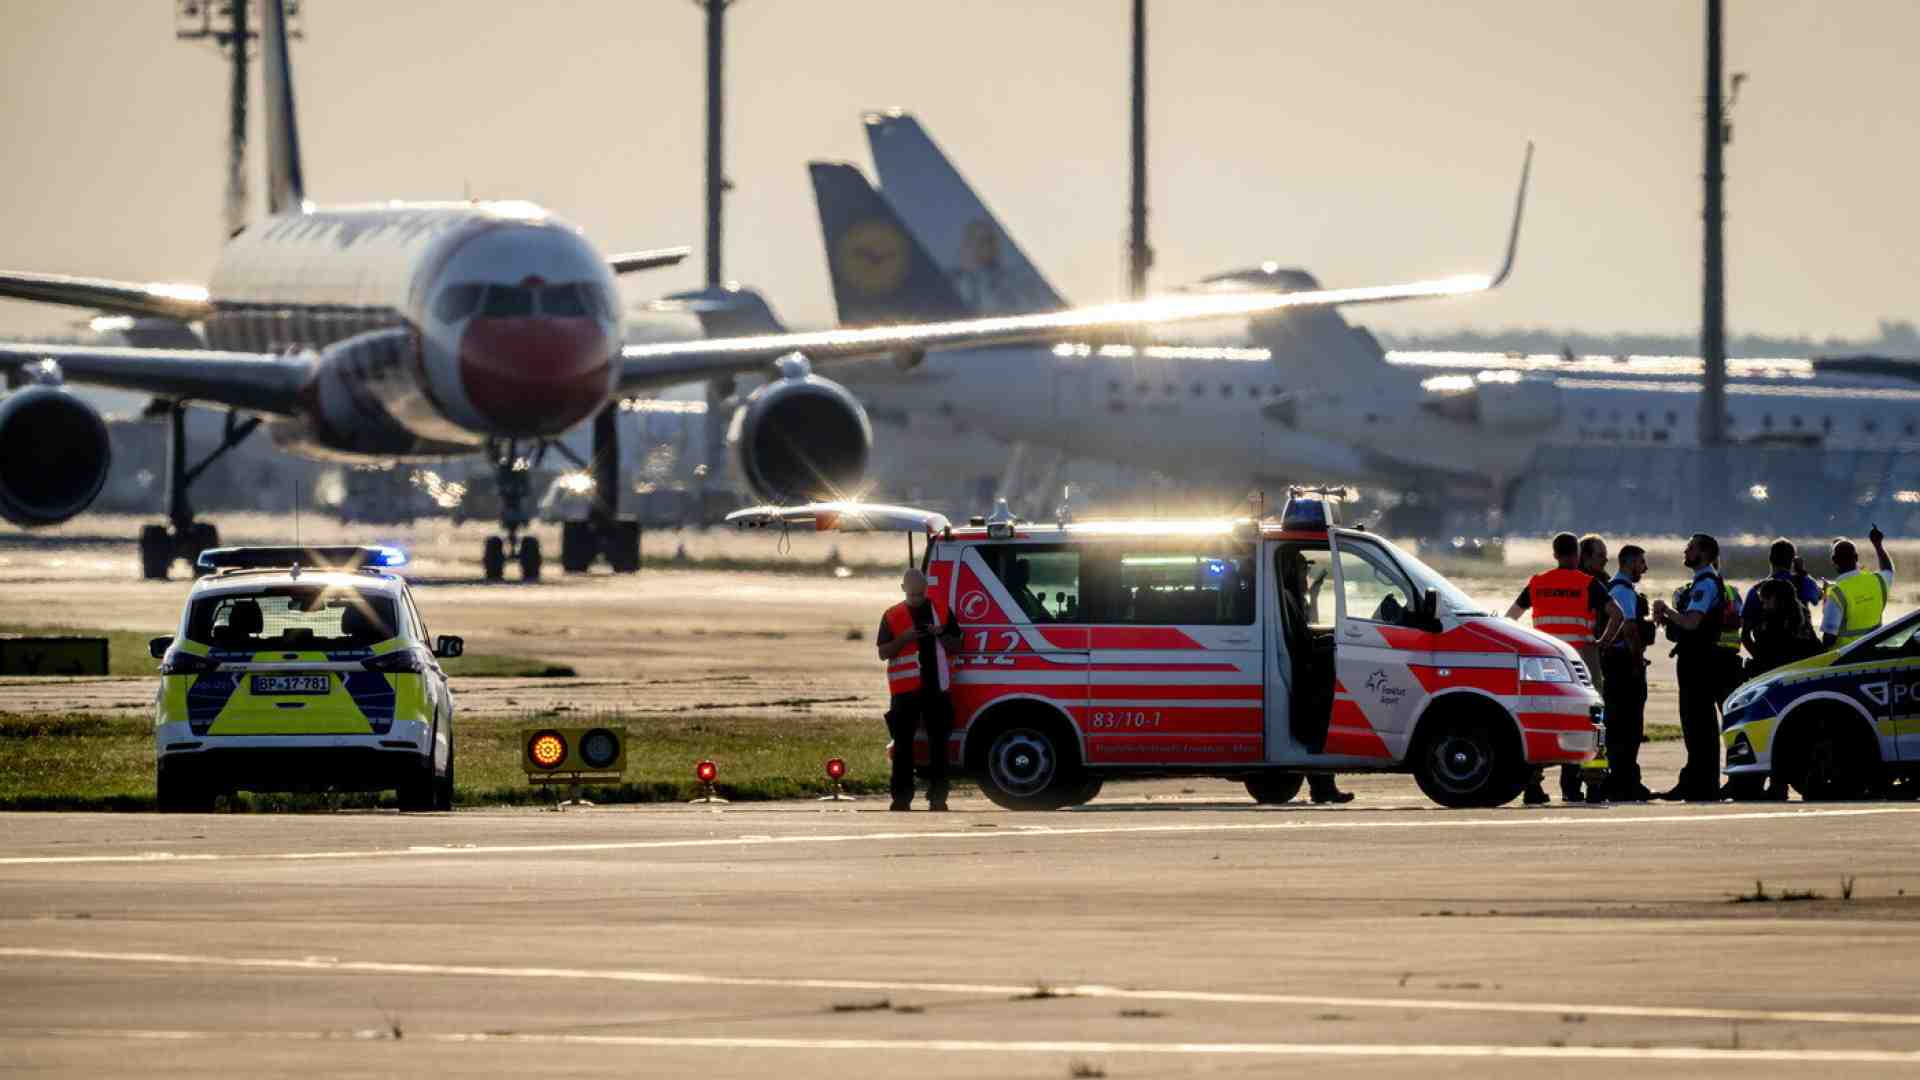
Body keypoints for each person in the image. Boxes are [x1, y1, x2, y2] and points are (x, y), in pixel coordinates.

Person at [1508, 532, 1623, 803]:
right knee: (1592, 721)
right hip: (1581, 660)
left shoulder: (1537, 583)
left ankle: (1532, 786)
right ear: (1578, 555)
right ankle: (1593, 785)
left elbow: (1511, 618)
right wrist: (1603, 642)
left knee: (1540, 720)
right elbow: (1617, 614)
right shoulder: (1588, 584)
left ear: (1554, 554)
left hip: (1544, 661)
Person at [1652, 533, 1735, 801]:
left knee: (1698, 724)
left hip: (1699, 661)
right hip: (1697, 659)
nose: (1685, 552)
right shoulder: (1700, 583)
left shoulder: (1705, 584)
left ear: (1705, 554)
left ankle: (1701, 784)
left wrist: (1667, 610)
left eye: (1691, 548)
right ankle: (1697, 780)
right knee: (1697, 724)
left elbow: (1692, 622)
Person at [875, 568, 963, 811]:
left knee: (939, 746)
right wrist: (904, 638)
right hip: (905, 691)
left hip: (937, 688)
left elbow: (957, 645)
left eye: (920, 594)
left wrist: (940, 633)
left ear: (926, 589)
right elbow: (883, 652)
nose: (916, 598)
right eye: (912, 594)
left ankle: (938, 798)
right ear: (903, 589)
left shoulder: (941, 611)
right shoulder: (892, 615)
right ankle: (901, 798)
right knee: (902, 746)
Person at [1279, 548, 1352, 804]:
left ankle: (1323, 785)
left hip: (1303, 667)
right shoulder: (1287, 598)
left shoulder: (1294, 598)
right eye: (1303, 571)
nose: (1306, 576)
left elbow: (1308, 631)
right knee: (1323, 715)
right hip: (1301, 673)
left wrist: (1313, 596)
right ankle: (1323, 787)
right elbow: (1301, 642)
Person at [1602, 544, 1654, 801]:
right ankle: (1625, 782)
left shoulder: (1612, 588)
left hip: (1614, 665)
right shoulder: (1623, 591)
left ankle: (1621, 780)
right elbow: (1630, 629)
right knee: (1629, 727)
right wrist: (1637, 663)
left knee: (1617, 726)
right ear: (1630, 563)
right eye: (1641, 563)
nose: (1645, 568)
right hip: (1623, 665)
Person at [1741, 539, 1824, 662]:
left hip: (1770, 656)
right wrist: (1802, 572)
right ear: (1792, 561)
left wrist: (1761, 660)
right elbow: (1819, 596)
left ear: (1770, 559)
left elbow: (1745, 636)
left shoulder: (1755, 591)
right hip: (1802, 657)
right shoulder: (1803, 582)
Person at [1821, 525, 1894, 650]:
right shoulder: (1878, 581)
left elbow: (1828, 640)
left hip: (1845, 657)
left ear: (1834, 560)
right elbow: (1888, 569)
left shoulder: (1836, 594)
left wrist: (1825, 602)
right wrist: (1878, 545)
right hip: (1873, 652)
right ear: (1856, 558)